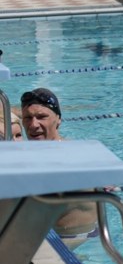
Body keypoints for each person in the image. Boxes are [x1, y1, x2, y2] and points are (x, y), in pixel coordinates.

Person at [18, 88, 100, 246]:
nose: (33, 125)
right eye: (28, 118)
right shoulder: (49, 151)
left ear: (58, 119)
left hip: (76, 238)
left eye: (42, 117)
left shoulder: (65, 158)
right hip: (58, 234)